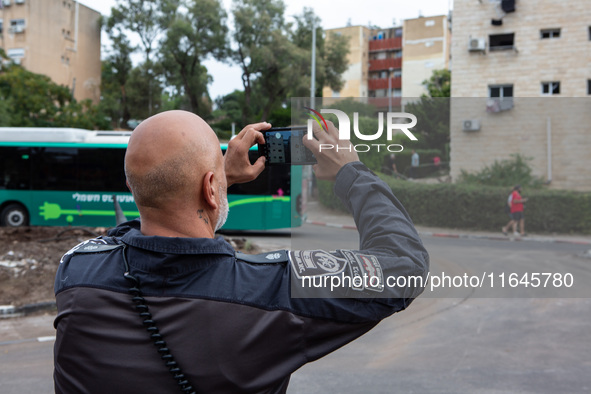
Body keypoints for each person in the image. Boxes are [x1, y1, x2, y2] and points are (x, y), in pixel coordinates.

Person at [53, 110, 429, 393]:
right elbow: (404, 265)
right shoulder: (269, 292)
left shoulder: (76, 273)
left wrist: (215, 181)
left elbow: (129, 234)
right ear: (211, 187)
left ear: (132, 188)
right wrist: (352, 171)